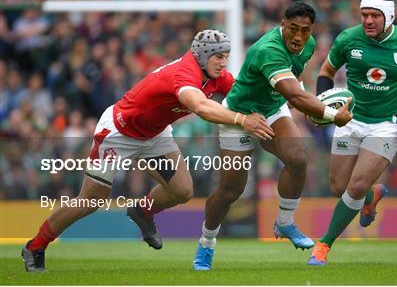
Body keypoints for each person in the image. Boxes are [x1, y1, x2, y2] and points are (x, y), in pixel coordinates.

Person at [21, 30, 275, 272]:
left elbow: (245, 91)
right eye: (219, 57)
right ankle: (35, 246)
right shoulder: (184, 74)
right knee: (90, 201)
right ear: (202, 56)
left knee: (183, 190)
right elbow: (201, 107)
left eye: (225, 57)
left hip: (154, 135)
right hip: (119, 133)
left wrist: (283, 92)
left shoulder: (215, 75)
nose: (223, 63)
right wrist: (243, 120)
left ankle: (142, 212)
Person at [192, 1, 353, 270]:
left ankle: (285, 222)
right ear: (282, 25)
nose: (299, 36)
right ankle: (206, 243)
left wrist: (305, 107)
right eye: (293, 29)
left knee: (298, 156)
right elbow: (293, 93)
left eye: (305, 30)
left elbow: (291, 89)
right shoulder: (269, 50)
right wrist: (331, 115)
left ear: (312, 29)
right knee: (231, 190)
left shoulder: (308, 44)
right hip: (238, 116)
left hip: (271, 109)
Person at [307, 0, 397, 266]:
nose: (368, 20)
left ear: (388, 17)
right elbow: (326, 72)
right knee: (338, 186)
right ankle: (372, 195)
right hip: (350, 119)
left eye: (375, 15)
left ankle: (324, 244)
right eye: (364, 15)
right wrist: (324, 108)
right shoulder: (347, 39)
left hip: (387, 124)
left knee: (356, 184)